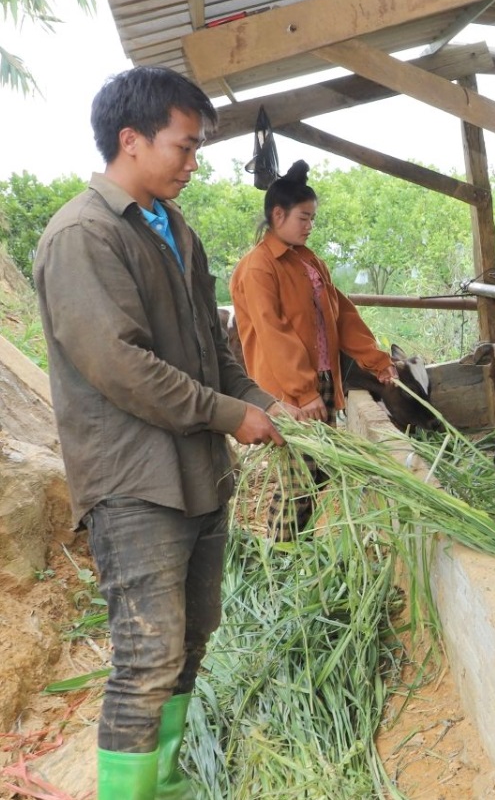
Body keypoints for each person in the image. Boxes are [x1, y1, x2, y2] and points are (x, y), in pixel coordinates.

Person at [33, 67, 292, 797]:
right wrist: (225, 413)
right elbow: (120, 366)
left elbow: (213, 350)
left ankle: (165, 783)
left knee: (189, 643)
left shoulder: (174, 230)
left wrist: (264, 402)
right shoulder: (82, 234)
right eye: (183, 145)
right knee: (145, 657)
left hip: (198, 474)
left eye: (196, 147)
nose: (192, 160)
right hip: (134, 483)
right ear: (131, 139)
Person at [230, 160, 398, 538]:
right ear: (278, 214)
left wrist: (378, 362)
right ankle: (282, 557)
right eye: (303, 218)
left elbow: (344, 318)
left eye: (312, 219)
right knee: (297, 479)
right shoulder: (258, 267)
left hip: (321, 382)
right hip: (289, 392)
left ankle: (296, 548)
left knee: (317, 473)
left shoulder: (309, 262)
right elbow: (275, 334)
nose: (310, 226)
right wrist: (304, 393)